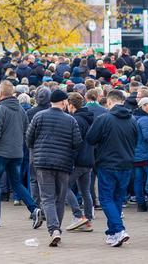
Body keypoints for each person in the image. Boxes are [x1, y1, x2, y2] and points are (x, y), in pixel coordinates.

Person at [26, 89, 82, 247]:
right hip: (63, 164)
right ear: (64, 102)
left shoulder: (39, 116)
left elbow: (29, 139)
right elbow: (77, 143)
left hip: (43, 162)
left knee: (47, 198)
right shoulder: (70, 120)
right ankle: (56, 229)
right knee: (60, 197)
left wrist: (38, 149)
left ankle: (54, 230)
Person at [0, 82, 40, 228]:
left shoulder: (0, 109)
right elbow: (27, 131)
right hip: (17, 152)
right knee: (16, 183)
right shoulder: (21, 110)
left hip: (0, 152)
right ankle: (34, 208)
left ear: (0, 93)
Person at [86, 89, 138, 247]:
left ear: (109, 102)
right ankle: (112, 233)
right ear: (122, 101)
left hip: (108, 164)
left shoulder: (104, 118)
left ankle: (119, 230)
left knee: (106, 199)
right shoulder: (133, 119)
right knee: (116, 198)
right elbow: (136, 140)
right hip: (127, 164)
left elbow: (90, 138)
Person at [64, 92, 95, 232]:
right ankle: (88, 220)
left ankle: (78, 215)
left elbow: (75, 142)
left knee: (64, 186)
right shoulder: (89, 118)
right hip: (89, 159)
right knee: (85, 191)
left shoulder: (75, 120)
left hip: (78, 160)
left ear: (71, 105)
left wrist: (69, 159)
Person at [133, 97, 148, 213]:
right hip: (145, 155)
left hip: (136, 154)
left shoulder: (134, 118)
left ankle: (141, 205)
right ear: (143, 106)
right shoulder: (145, 119)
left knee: (138, 181)